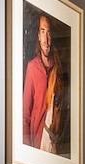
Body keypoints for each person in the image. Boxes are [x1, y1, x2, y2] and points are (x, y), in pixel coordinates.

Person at [22, 12, 64, 150]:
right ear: (38, 36)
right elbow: (25, 114)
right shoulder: (32, 67)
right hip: (37, 143)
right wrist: (27, 148)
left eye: (49, 32)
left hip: (55, 143)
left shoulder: (58, 69)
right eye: (42, 31)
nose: (46, 39)